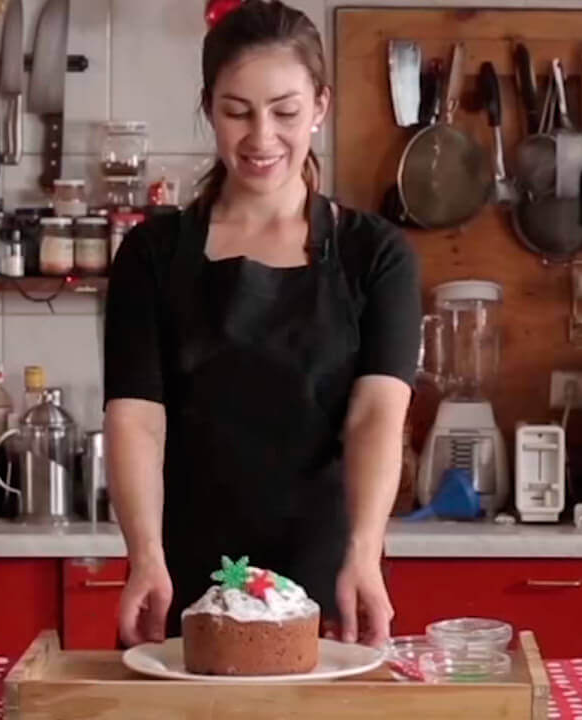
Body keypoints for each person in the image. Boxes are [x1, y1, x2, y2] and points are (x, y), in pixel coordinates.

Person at [103, 0, 420, 649]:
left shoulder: (376, 254)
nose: (261, 138)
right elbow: (136, 415)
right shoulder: (153, 254)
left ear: (320, 107)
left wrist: (364, 554)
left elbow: (376, 415)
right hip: (182, 573)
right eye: (236, 111)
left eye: (285, 111)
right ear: (207, 106)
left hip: (328, 574)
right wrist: (143, 555)